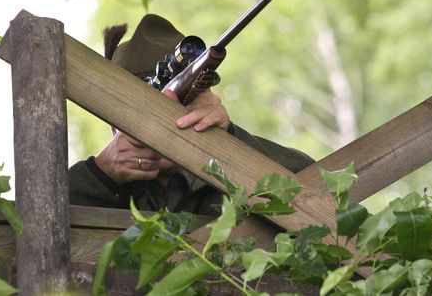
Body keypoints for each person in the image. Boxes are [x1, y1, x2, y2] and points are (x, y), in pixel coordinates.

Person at [68, 14, 314, 215]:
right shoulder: (109, 186)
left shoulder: (224, 171)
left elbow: (318, 193)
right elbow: (33, 223)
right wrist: (99, 173)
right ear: (113, 126)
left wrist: (227, 140)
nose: (163, 115)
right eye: (143, 106)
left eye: (181, 102)